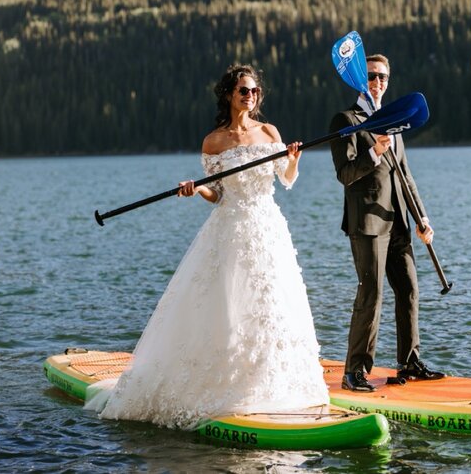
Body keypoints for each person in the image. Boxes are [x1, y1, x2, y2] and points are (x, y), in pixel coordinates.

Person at [87, 64, 329, 427]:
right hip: (230, 228)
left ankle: (272, 387)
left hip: (268, 231)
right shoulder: (214, 141)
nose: (250, 96)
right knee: (228, 309)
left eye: (255, 91)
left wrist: (293, 160)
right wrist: (196, 187)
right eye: (243, 91)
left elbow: (287, 179)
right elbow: (217, 194)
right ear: (230, 95)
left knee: (271, 306)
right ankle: (225, 391)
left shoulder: (269, 132)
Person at [329, 54, 445, 392]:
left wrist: (421, 217)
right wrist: (375, 151)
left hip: (398, 222)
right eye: (371, 76)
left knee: (409, 288)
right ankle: (354, 372)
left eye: (383, 77)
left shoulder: (394, 121)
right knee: (372, 294)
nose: (377, 83)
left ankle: (410, 361)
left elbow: (405, 176)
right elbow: (345, 174)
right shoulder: (345, 119)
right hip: (366, 222)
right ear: (360, 79)